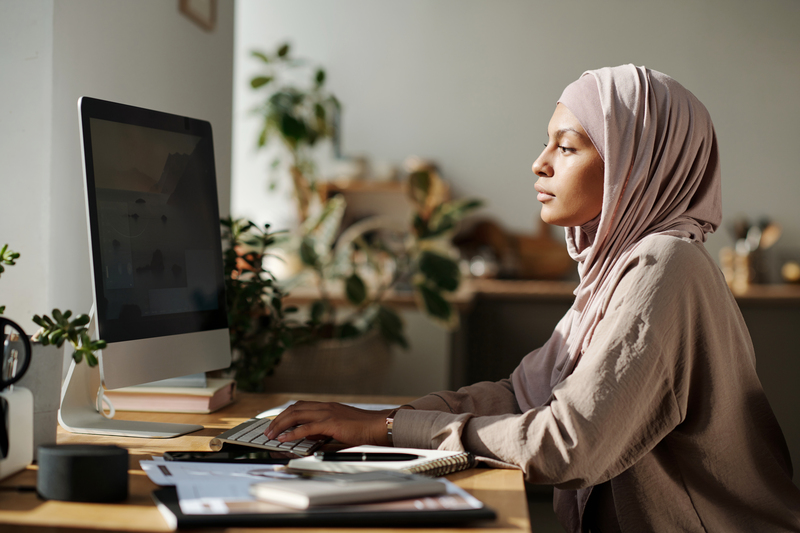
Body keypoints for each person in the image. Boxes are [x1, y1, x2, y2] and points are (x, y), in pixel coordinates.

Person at [266, 65, 800, 531]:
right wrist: (375, 419)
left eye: (566, 147)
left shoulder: (666, 264)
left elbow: (567, 445)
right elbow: (521, 396)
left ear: (635, 165)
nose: (539, 163)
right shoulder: (615, 271)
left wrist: (383, 427)